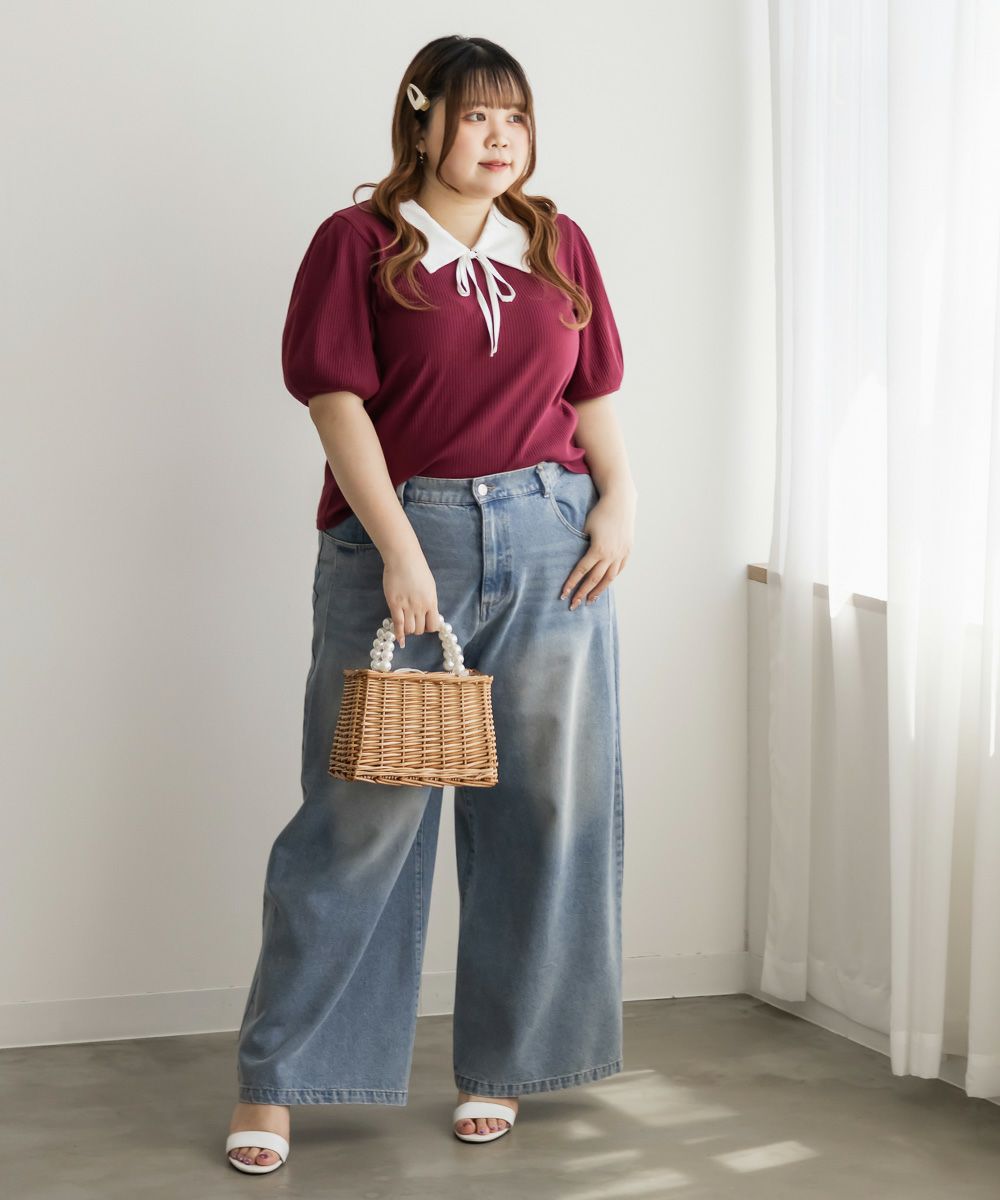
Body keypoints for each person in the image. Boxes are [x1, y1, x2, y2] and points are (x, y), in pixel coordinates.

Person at [226, 33, 636, 1175]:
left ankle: (504, 1064)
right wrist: (400, 552)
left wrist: (620, 504)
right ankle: (280, 1083)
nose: (500, 137)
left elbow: (591, 391)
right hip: (402, 542)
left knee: (546, 812)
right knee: (358, 819)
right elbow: (335, 401)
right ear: (422, 121)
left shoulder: (554, 241)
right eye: (476, 115)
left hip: (555, 542)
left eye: (516, 116)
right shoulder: (359, 242)